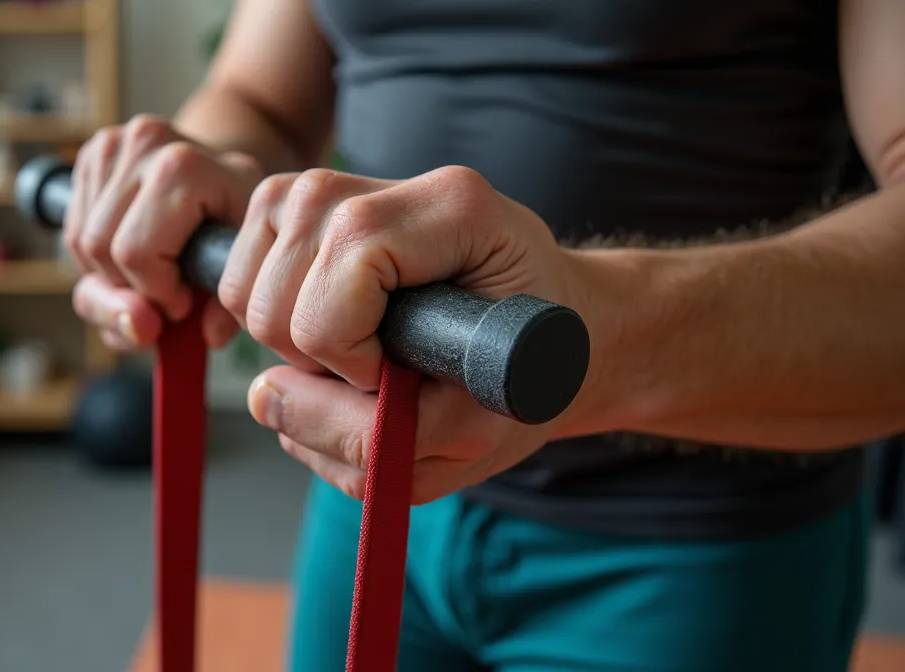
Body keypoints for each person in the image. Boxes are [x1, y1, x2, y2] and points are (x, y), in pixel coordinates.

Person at [64, 0, 905, 669]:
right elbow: (257, 96)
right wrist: (201, 170)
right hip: (377, 495)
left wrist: (599, 331)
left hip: (691, 543)